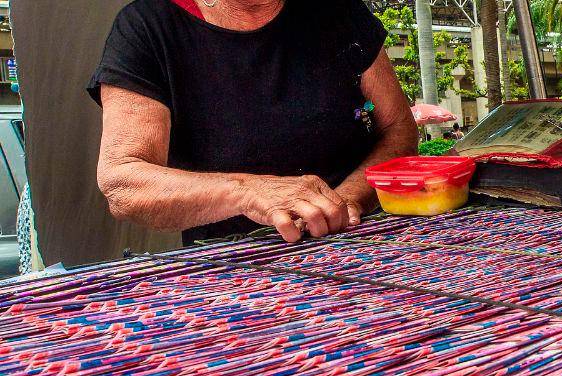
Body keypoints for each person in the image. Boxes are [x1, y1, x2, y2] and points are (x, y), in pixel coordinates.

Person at [91, 0, 418, 244]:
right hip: (235, 270)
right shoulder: (148, 27)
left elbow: (398, 129)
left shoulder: (337, 11)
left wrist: (346, 200)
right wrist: (248, 192)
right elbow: (123, 181)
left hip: (360, 245)